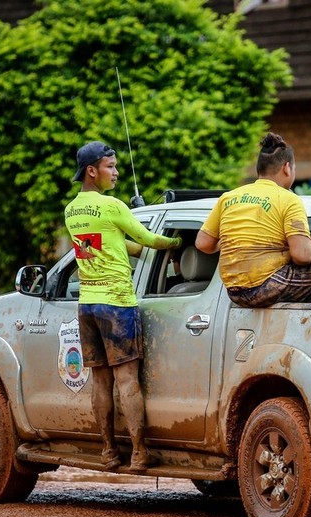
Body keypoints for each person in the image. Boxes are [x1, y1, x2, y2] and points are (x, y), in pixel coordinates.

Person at [65, 141, 182, 472]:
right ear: (92, 171)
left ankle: (108, 452)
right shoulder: (112, 207)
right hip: (117, 304)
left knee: (100, 382)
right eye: (110, 167)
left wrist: (139, 250)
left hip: (87, 305)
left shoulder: (72, 210)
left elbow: (104, 244)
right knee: (128, 381)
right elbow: (148, 239)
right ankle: (140, 453)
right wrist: (176, 244)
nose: (116, 173)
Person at [196, 133, 311, 308]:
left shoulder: (228, 197)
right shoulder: (288, 199)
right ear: (287, 168)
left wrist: (237, 243)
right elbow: (302, 256)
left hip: (235, 292)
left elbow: (203, 243)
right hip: (266, 286)